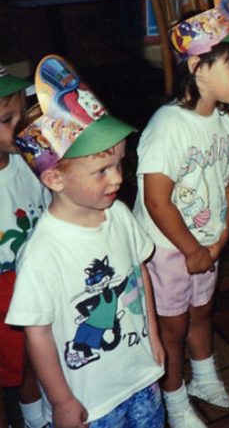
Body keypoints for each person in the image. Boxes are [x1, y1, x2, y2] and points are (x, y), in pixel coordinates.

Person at [7, 55, 165, 427]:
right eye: (101, 171)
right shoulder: (42, 252)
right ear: (56, 180)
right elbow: (38, 331)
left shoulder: (120, 216)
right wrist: (61, 400)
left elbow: (139, 275)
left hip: (140, 376)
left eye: (119, 164)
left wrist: (153, 337)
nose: (116, 179)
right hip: (91, 400)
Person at [133, 0, 229, 427]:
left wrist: (223, 233)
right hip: (169, 248)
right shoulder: (169, 126)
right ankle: (173, 396)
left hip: (205, 244)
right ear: (199, 67)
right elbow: (155, 198)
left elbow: (225, 179)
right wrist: (190, 248)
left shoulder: (226, 123)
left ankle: (204, 377)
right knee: (172, 328)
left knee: (202, 312)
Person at [0, 66, 47, 428]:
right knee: (18, 362)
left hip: (41, 270)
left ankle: (46, 408)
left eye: (22, 112)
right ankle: (32, 420)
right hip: (5, 283)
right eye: (6, 119)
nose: (19, 127)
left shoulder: (29, 161)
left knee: (44, 351)